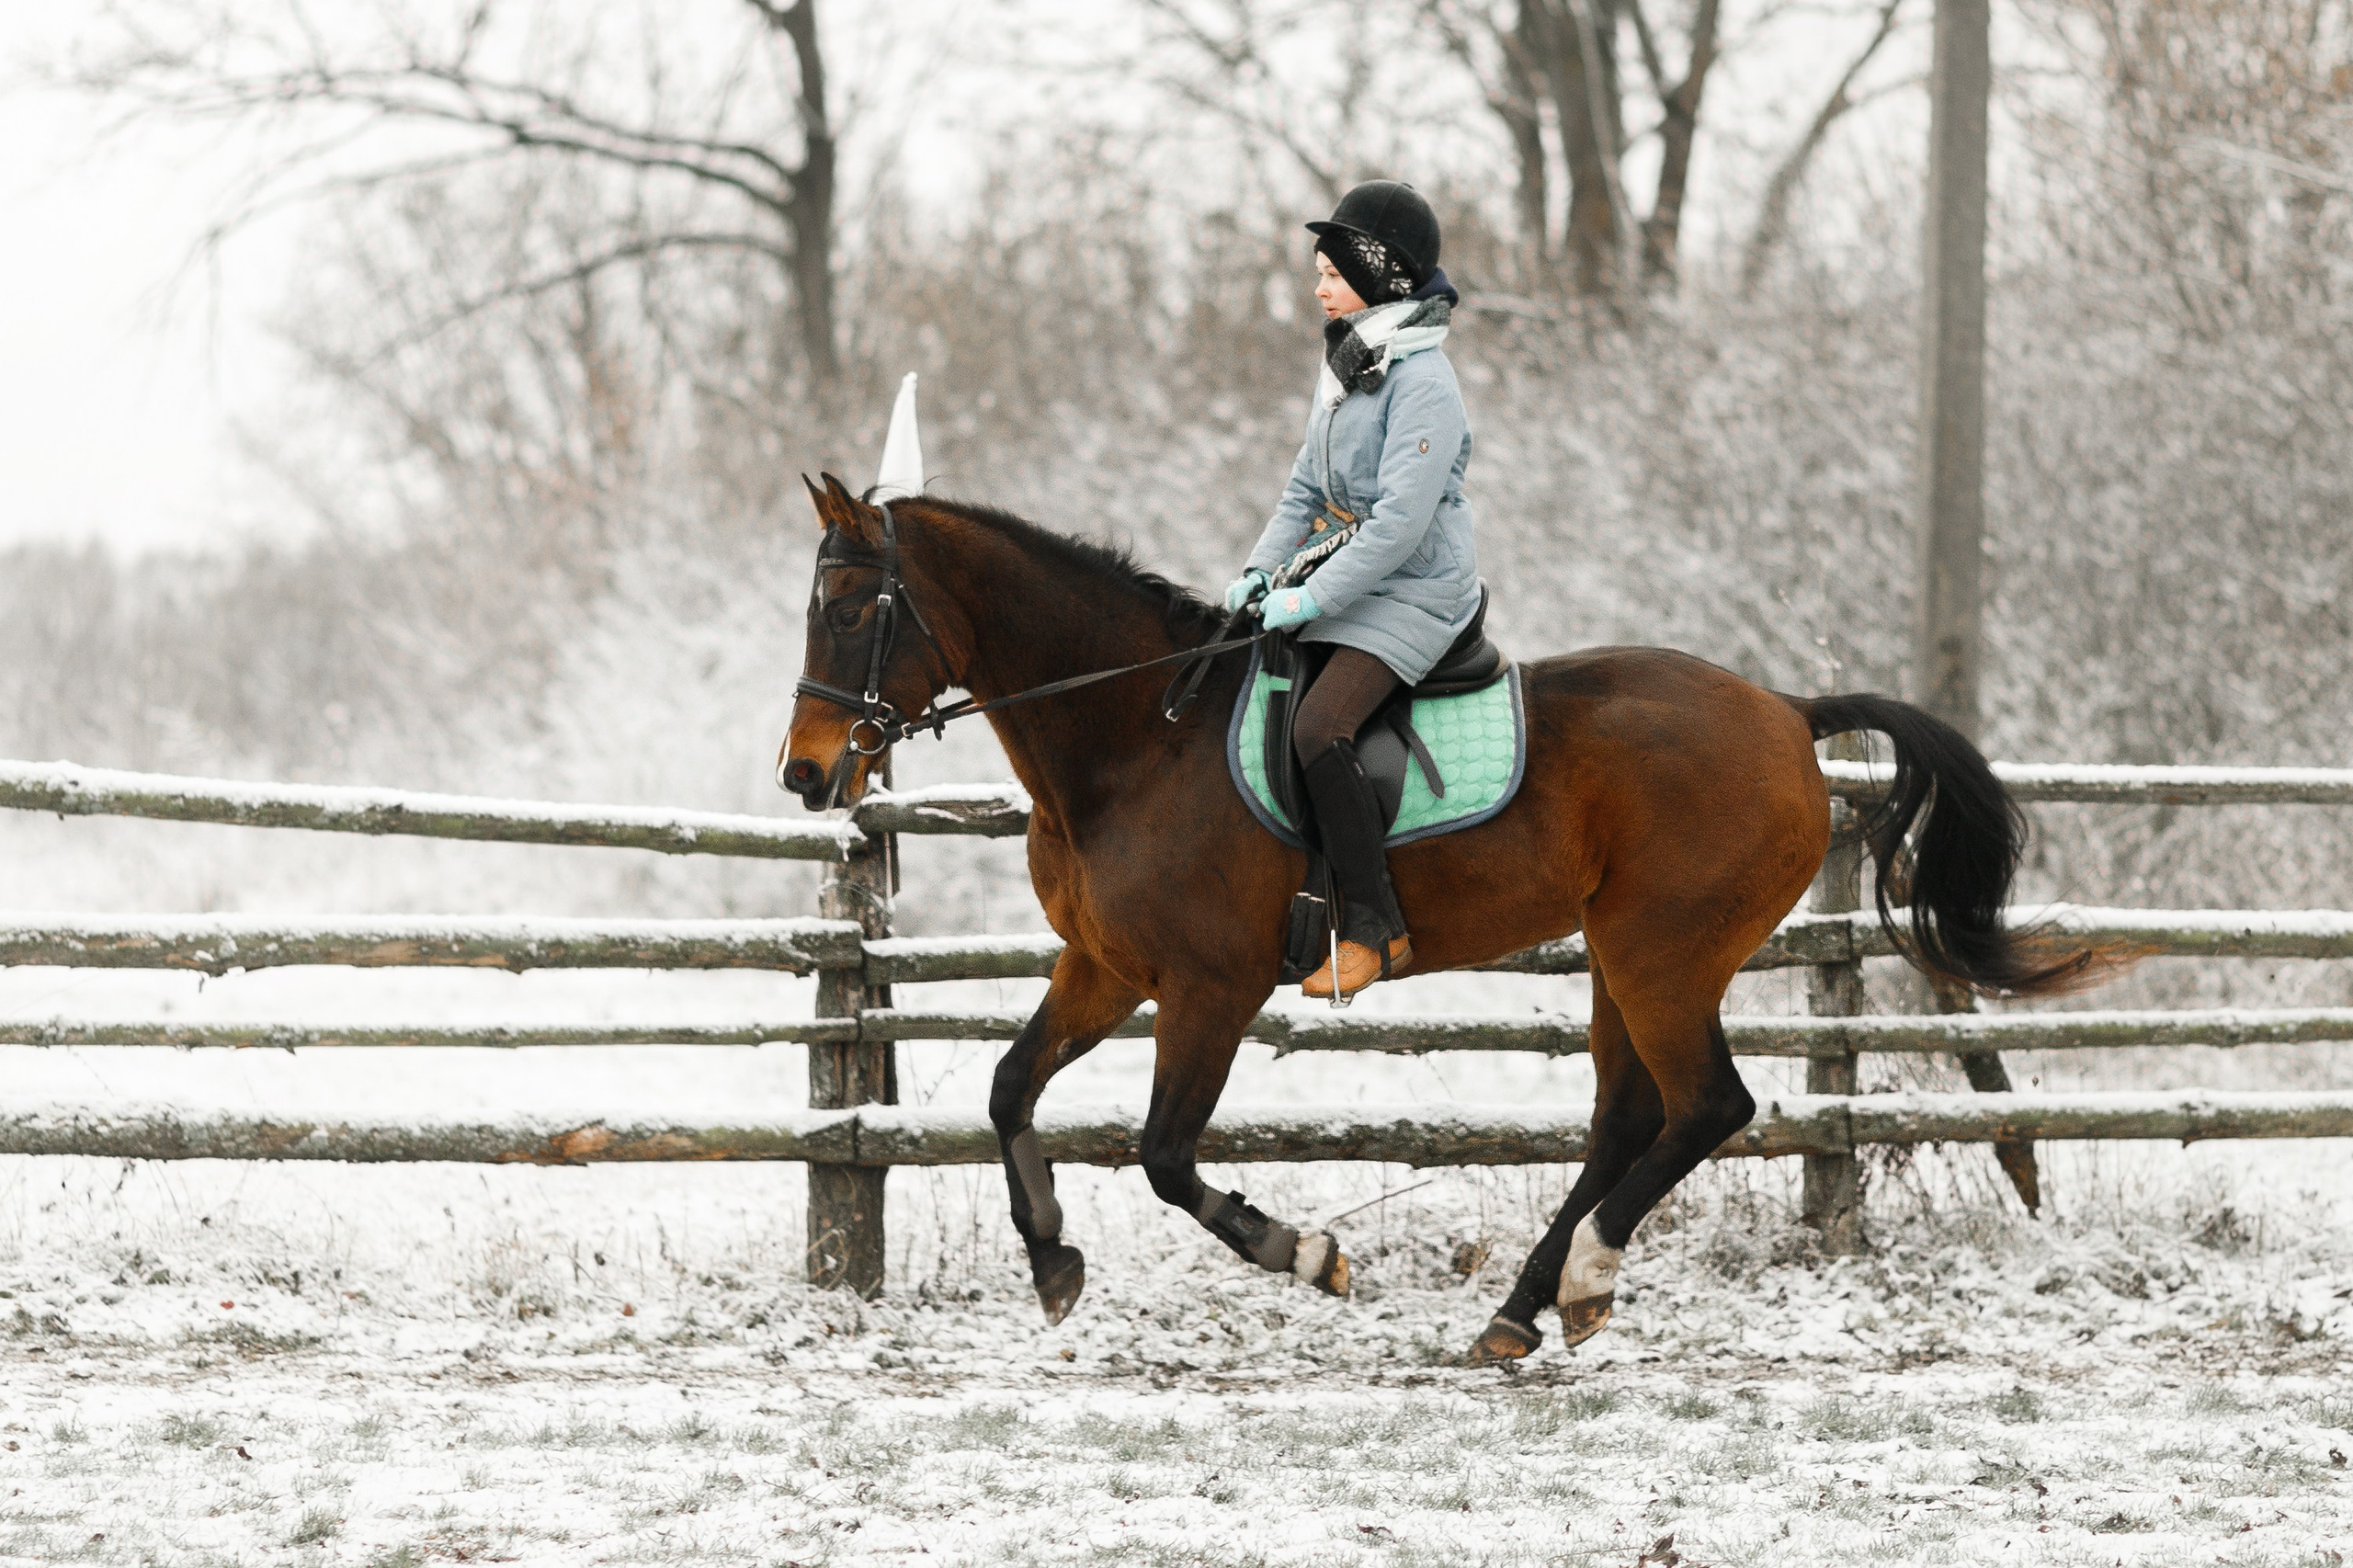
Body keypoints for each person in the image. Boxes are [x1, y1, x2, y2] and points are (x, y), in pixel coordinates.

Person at [1223, 179, 1479, 1002]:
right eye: (1319, 273)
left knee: (1320, 726)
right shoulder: (1348, 363)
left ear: (1380, 274)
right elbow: (1305, 488)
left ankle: (1375, 928)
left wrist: (1312, 598)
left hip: (1417, 591)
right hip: (1351, 575)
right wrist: (1262, 570)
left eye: (1333, 273)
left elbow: (1399, 526)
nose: (1319, 288)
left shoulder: (1424, 380)